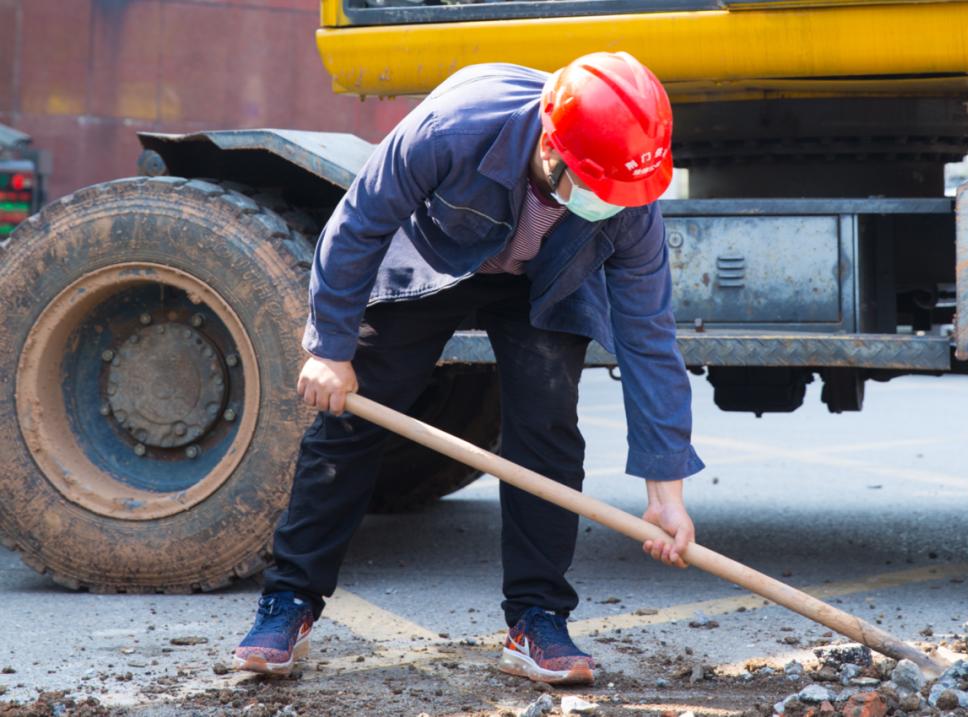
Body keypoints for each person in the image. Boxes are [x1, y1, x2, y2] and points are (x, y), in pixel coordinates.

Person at [232, 51, 704, 686]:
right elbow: (357, 226)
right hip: (439, 257)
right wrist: (330, 351)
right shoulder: (452, 129)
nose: (608, 202)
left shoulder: (628, 197)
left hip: (546, 279)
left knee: (548, 435)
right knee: (353, 417)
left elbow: (650, 337)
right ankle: (288, 601)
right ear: (550, 148)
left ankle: (537, 619)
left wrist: (664, 492)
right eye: (595, 188)